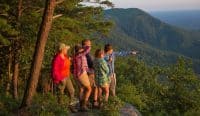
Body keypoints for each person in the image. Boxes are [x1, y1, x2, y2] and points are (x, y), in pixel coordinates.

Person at [52, 43, 78, 113]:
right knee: (60, 93)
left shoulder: (65, 56)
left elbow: (68, 63)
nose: (67, 50)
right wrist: (58, 79)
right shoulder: (57, 58)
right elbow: (54, 70)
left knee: (72, 91)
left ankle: (70, 106)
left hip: (67, 76)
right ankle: (60, 109)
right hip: (61, 78)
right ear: (62, 49)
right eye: (66, 49)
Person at [73, 44, 92, 111]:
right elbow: (88, 48)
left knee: (81, 89)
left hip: (76, 75)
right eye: (81, 48)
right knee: (89, 89)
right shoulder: (80, 55)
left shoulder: (76, 55)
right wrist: (85, 46)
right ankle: (84, 104)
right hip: (81, 74)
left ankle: (81, 104)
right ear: (80, 49)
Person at [82, 39, 98, 108]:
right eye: (89, 45)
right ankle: (89, 103)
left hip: (87, 73)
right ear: (85, 45)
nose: (90, 46)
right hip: (90, 73)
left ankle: (91, 102)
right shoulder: (87, 54)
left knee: (91, 88)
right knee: (91, 88)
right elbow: (91, 64)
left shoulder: (82, 53)